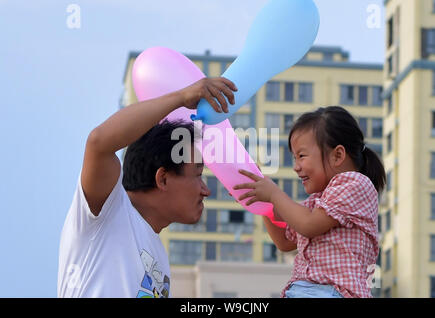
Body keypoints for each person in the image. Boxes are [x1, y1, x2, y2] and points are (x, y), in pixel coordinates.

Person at [57, 77, 237, 298]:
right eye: (198, 174)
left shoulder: (158, 255)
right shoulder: (105, 214)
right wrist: (181, 97)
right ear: (162, 178)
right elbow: (98, 143)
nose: (205, 190)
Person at [233, 106, 386, 298]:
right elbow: (285, 241)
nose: (296, 167)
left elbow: (308, 224)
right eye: (294, 158)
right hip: (306, 291)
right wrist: (262, 201)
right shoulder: (318, 201)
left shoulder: (355, 184)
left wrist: (273, 194)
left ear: (337, 155)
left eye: (301, 156)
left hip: (333, 292)